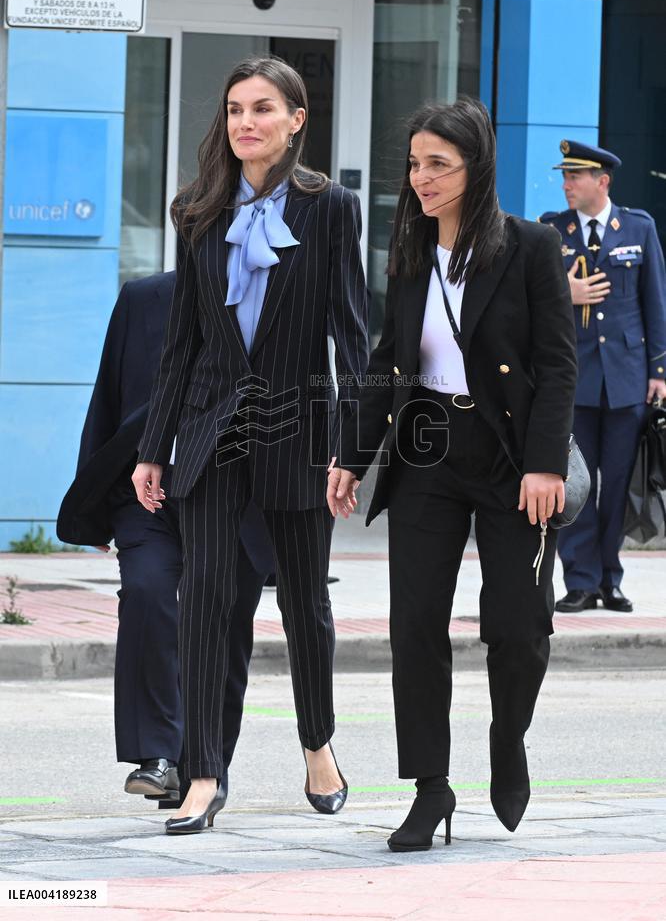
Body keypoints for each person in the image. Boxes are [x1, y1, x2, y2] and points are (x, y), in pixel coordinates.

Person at [328, 97, 577, 849]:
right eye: (414, 163)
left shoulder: (530, 248)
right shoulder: (407, 251)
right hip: (427, 450)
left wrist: (544, 463)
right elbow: (386, 361)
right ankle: (430, 788)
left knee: (518, 625)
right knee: (413, 627)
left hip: (509, 456)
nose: (422, 177)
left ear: (477, 167)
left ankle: (508, 738)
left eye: (439, 163)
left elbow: (558, 364)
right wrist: (351, 456)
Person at [132, 57, 369, 835]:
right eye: (235, 108)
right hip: (206, 426)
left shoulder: (331, 207)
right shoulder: (196, 208)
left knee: (305, 599)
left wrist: (351, 446)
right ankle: (205, 771)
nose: (245, 123)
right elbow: (182, 342)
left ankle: (317, 744)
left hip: (297, 425)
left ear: (297, 119)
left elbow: (351, 334)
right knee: (204, 598)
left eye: (263, 109)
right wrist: (153, 445)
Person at [57, 271, 272, 809]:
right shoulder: (142, 297)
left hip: (235, 491)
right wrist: (94, 507)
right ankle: (157, 756)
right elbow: (109, 396)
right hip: (145, 487)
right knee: (149, 593)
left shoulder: (271, 295)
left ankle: (206, 766)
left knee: (223, 625)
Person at [539, 141, 666, 614]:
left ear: (603, 181)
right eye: (564, 176)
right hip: (571, 382)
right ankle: (580, 581)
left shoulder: (638, 227)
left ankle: (610, 578)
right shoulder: (551, 230)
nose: (566, 184)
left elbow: (655, 302)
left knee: (616, 485)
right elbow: (531, 300)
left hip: (627, 381)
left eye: (575, 176)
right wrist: (564, 293)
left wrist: (660, 371)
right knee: (574, 486)